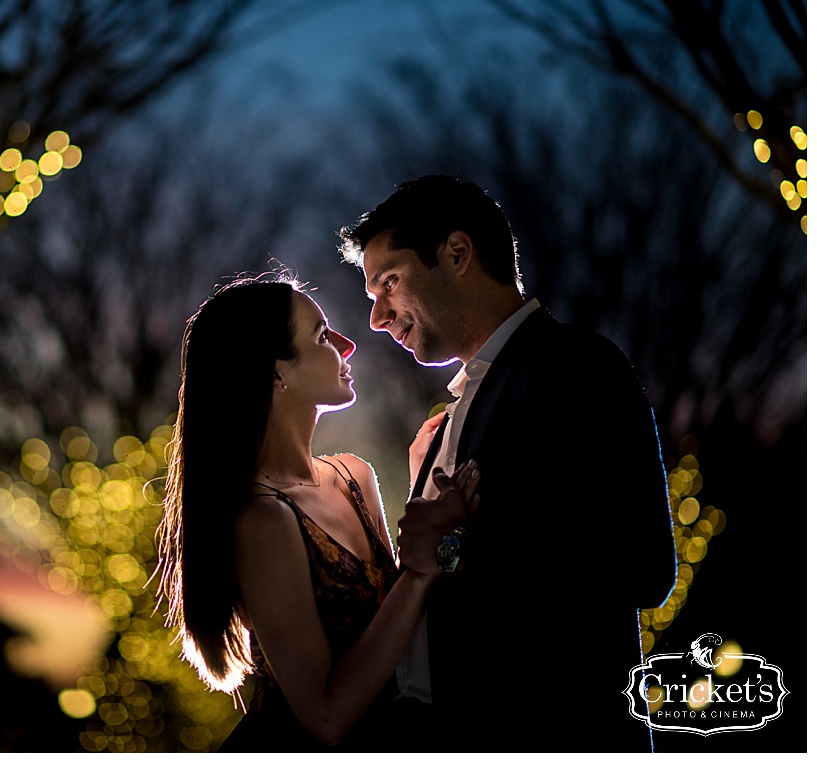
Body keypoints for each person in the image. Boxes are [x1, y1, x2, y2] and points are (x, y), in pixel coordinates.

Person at [337, 175, 678, 752]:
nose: (376, 317)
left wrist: (451, 549)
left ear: (458, 254)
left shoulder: (577, 367)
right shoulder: (447, 421)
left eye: (389, 283)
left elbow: (643, 567)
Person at [156, 275, 480, 751]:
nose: (348, 345)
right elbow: (326, 717)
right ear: (274, 372)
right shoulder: (263, 520)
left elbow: (394, 634)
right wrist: (420, 569)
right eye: (322, 335)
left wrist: (424, 490)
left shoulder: (354, 476)